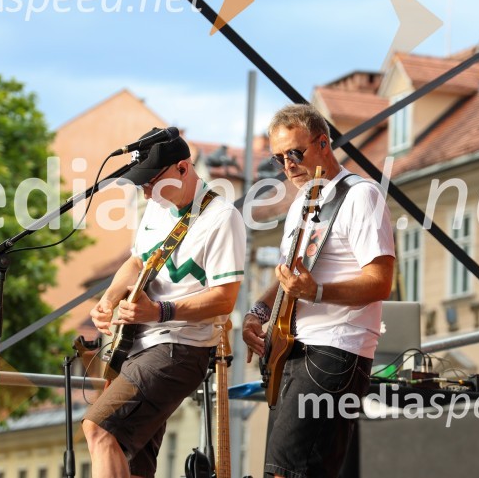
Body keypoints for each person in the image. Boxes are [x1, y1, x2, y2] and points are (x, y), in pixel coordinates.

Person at [243, 104, 395, 478]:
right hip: (292, 348)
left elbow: (381, 282)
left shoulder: (361, 196)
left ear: (323, 143)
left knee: (290, 472)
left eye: (295, 153)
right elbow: (287, 277)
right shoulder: (300, 204)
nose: (288, 165)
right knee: (282, 471)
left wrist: (318, 291)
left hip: (338, 348)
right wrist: (257, 314)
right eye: (279, 158)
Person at [83, 129, 246, 478]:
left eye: (151, 182)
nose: (145, 192)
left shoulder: (222, 217)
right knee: (132, 459)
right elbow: (136, 262)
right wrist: (109, 300)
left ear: (183, 169)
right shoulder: (158, 207)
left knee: (100, 429)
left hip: (180, 349)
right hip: (139, 345)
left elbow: (225, 299)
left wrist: (159, 312)